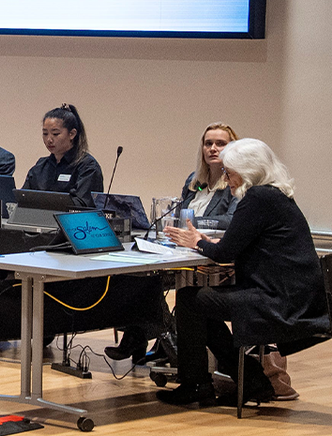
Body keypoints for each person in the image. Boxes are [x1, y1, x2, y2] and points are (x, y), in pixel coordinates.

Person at [159, 139, 329, 407]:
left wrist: (197, 242)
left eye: (229, 172)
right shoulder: (275, 195)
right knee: (200, 302)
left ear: (248, 170)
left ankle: (198, 384)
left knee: (189, 301)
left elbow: (226, 252)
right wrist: (207, 242)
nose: (226, 180)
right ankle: (251, 381)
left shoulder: (257, 198)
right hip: (293, 295)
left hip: (277, 301)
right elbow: (240, 244)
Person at [106, 122, 241, 362]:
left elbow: (231, 221)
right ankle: (149, 335)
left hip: (210, 260)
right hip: (179, 249)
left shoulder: (235, 182)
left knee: (161, 284)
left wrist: (192, 224)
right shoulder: (195, 179)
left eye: (220, 144)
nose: (213, 148)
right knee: (136, 275)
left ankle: (160, 338)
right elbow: (178, 212)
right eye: (208, 143)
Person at [23, 104, 103, 207]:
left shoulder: (87, 166)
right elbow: (23, 197)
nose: (49, 140)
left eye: (55, 134)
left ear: (72, 134)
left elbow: (83, 203)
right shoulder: (40, 165)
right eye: (45, 133)